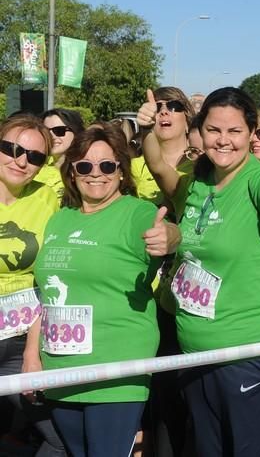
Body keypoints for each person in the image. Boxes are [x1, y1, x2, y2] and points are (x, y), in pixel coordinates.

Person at [143, 86, 260, 457]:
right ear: (198, 131)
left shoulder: (257, 179)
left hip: (251, 352)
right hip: (196, 352)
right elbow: (158, 165)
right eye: (213, 130)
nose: (223, 140)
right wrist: (146, 131)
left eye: (235, 131)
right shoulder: (197, 181)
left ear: (250, 133)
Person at [30, 123, 179, 457]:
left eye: (107, 165)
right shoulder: (60, 219)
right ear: (71, 172)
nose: (95, 174)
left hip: (115, 368)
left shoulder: (136, 213)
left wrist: (170, 237)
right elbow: (44, 294)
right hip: (60, 367)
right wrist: (31, 356)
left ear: (122, 172)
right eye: (84, 166)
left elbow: (167, 232)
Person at [0, 115, 65, 456]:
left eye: (35, 156)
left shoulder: (47, 199)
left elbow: (48, 280)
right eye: (11, 149)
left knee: (58, 436)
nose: (22, 161)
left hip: (21, 337)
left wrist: (31, 353)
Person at [134, 87, 196, 206]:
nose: (164, 111)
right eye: (156, 108)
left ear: (187, 120)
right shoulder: (134, 167)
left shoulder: (201, 165)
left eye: (174, 106)